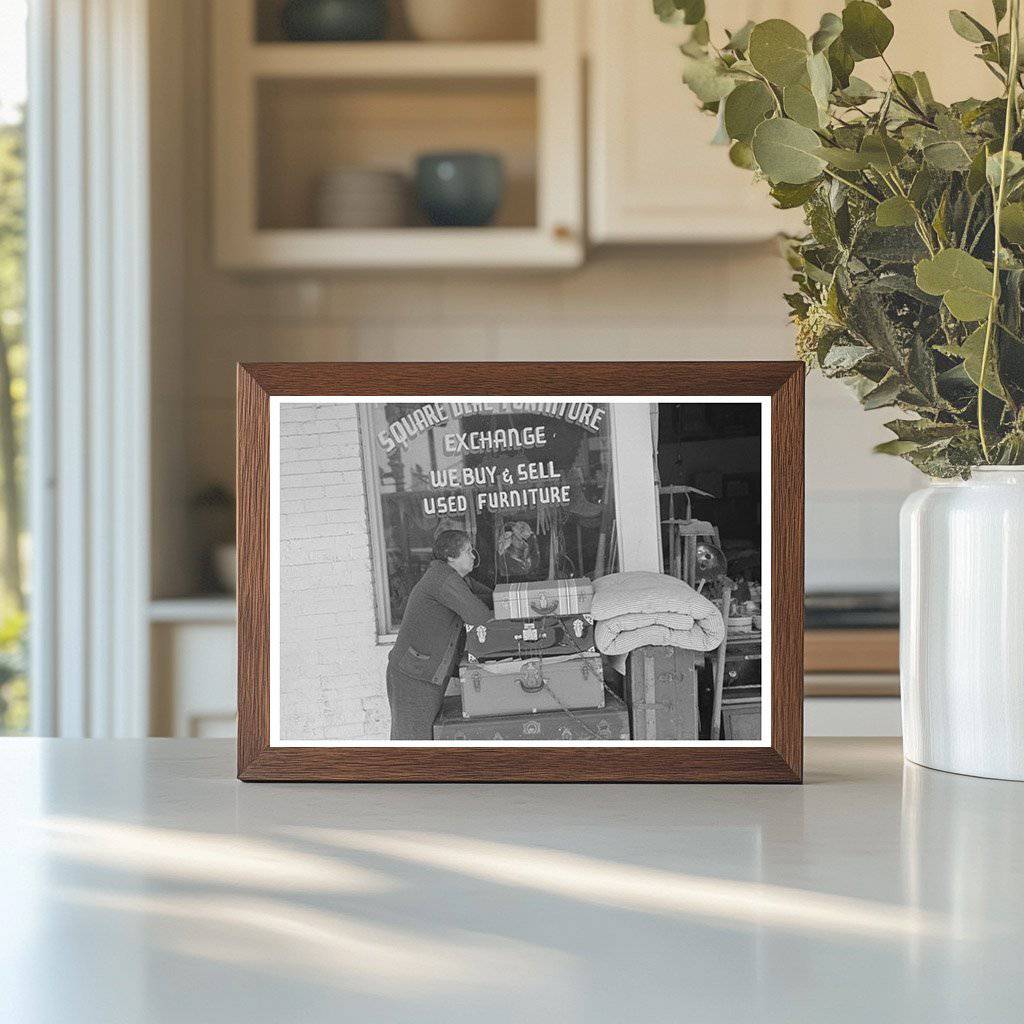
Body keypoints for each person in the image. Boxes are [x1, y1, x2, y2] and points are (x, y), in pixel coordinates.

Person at [386, 529, 493, 740]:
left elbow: (490, 597)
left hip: (420, 673)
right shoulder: (444, 580)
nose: (473, 556)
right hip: (414, 678)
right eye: (468, 551)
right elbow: (478, 614)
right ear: (451, 557)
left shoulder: (453, 578)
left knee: (421, 739)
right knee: (413, 743)